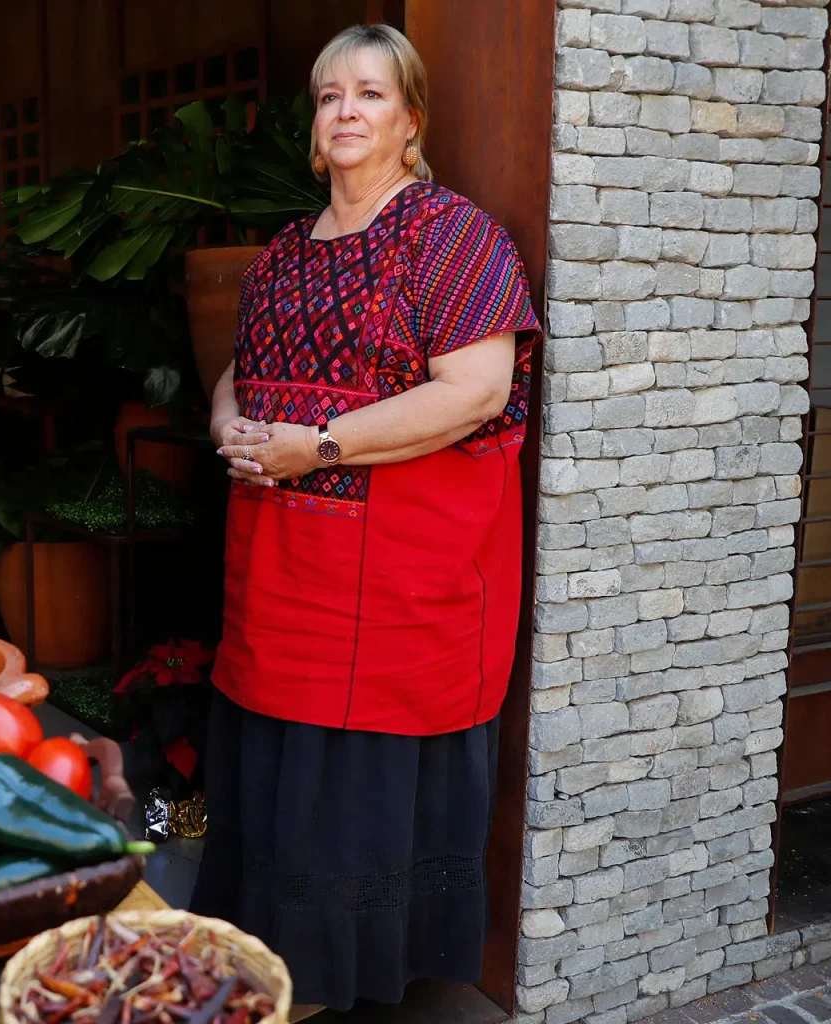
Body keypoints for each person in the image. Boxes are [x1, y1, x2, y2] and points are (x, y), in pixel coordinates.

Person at [189, 23, 543, 1011]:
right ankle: (276, 966)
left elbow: (475, 391)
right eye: (330, 95)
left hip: (397, 584)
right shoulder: (283, 252)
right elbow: (241, 368)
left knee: (353, 791)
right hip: (280, 575)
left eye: (371, 94)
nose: (346, 111)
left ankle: (346, 984)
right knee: (278, 775)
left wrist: (318, 446)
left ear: (411, 120)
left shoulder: (453, 236)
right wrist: (226, 420)